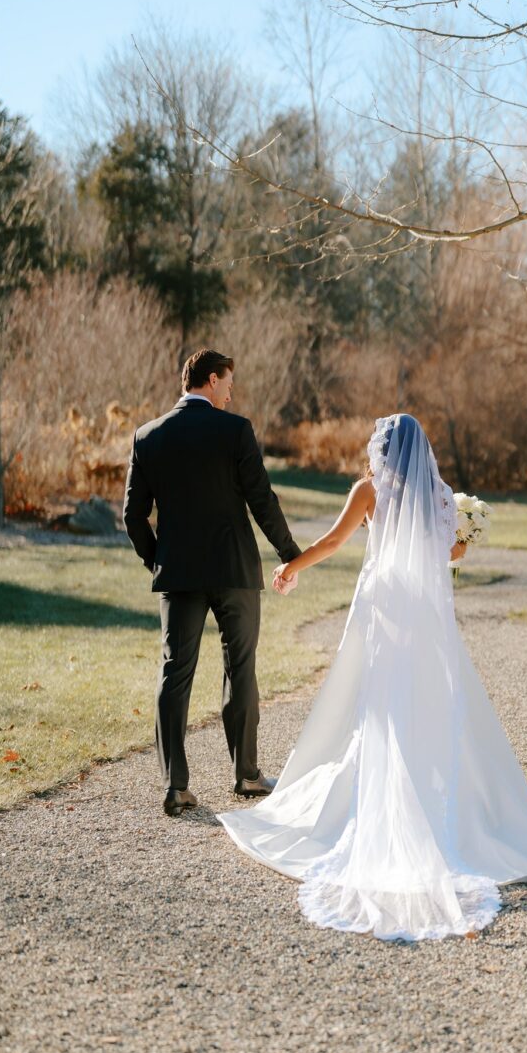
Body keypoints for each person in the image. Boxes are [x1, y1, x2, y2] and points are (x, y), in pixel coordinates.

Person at [217, 413, 527, 941]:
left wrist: (291, 568)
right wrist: (465, 532)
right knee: (431, 703)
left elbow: (331, 542)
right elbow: (452, 551)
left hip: (382, 613)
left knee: (375, 707)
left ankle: (376, 801)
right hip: (425, 620)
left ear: (382, 452)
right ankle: (449, 807)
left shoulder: (368, 492)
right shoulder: (438, 497)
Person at [123, 349, 302, 817]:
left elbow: (132, 515)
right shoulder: (235, 430)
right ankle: (246, 774)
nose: (231, 391)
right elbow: (261, 498)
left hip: (179, 574)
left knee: (174, 673)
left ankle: (175, 786)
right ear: (210, 378)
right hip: (234, 570)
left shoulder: (148, 436)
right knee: (240, 667)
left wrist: (157, 560)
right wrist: (291, 555)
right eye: (227, 382)